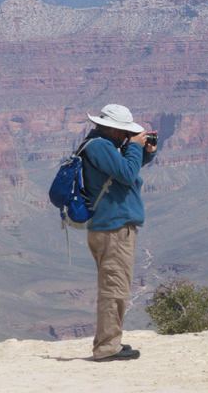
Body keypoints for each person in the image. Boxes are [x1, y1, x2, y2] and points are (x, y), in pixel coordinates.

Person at [77, 104, 160, 361]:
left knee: (115, 285)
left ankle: (111, 340)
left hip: (111, 226)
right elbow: (125, 174)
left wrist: (144, 154)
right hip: (113, 228)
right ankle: (106, 348)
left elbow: (123, 173)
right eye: (125, 132)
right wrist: (134, 146)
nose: (127, 136)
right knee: (114, 288)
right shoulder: (100, 146)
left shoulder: (103, 145)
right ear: (115, 128)